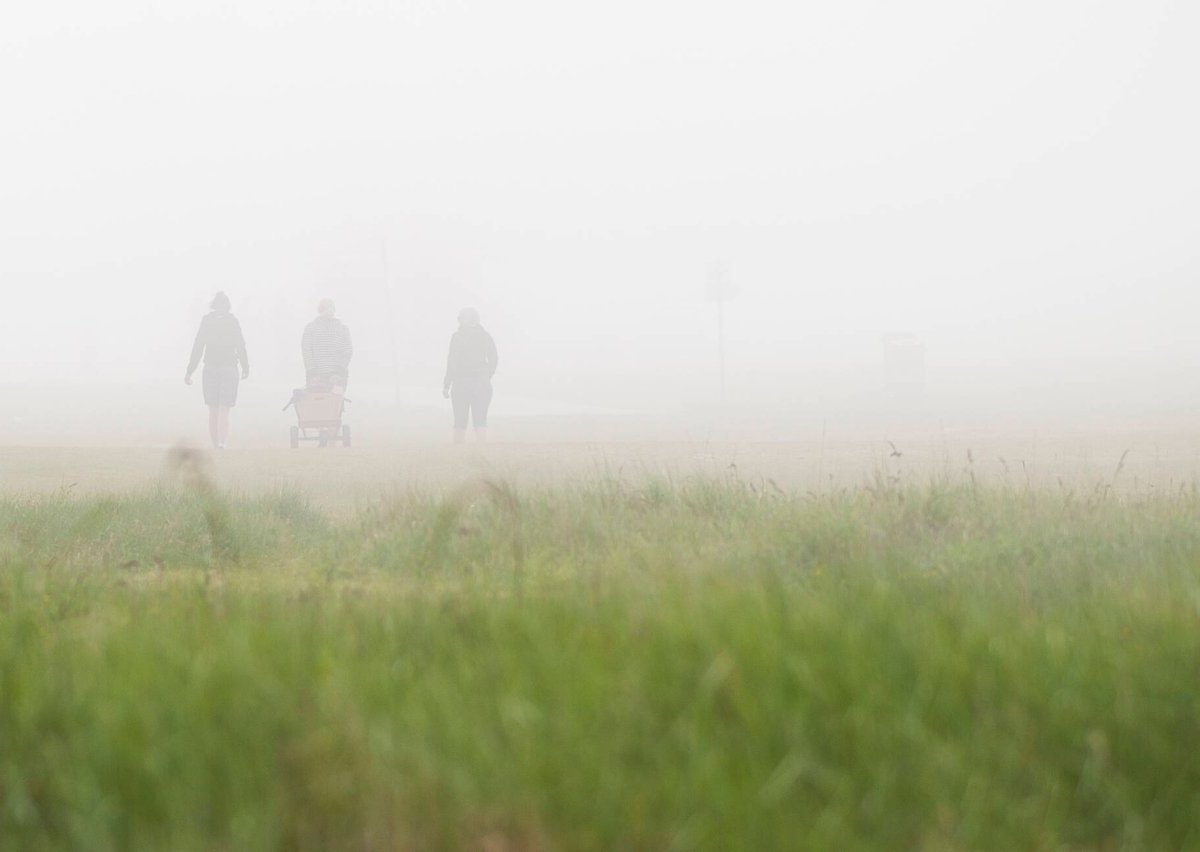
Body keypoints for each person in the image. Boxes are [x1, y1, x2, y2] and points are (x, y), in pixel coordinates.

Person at [185, 291, 249, 449]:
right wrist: (245, 366)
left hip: (211, 367)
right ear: (227, 306)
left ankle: (216, 444)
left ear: (214, 306)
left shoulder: (207, 321)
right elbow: (240, 344)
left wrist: (190, 370)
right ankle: (222, 442)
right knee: (224, 408)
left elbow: (198, 346)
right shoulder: (232, 321)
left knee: (212, 409)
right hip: (229, 367)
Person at [443, 307, 498, 443]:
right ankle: (482, 449)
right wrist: (487, 374)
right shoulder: (485, 336)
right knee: (480, 419)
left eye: (461, 318)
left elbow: (452, 362)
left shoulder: (457, 337)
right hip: (481, 383)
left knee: (460, 420)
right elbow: (494, 358)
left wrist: (446, 384)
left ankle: (459, 452)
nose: (459, 321)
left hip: (461, 383)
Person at [301, 298, 353, 392]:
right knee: (317, 402)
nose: (329, 311)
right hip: (316, 375)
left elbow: (347, 351)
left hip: (337, 375)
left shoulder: (343, 329)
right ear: (320, 310)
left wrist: (340, 370)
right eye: (326, 308)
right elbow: (306, 351)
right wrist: (312, 371)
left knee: (336, 403)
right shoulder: (310, 328)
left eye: (331, 308)